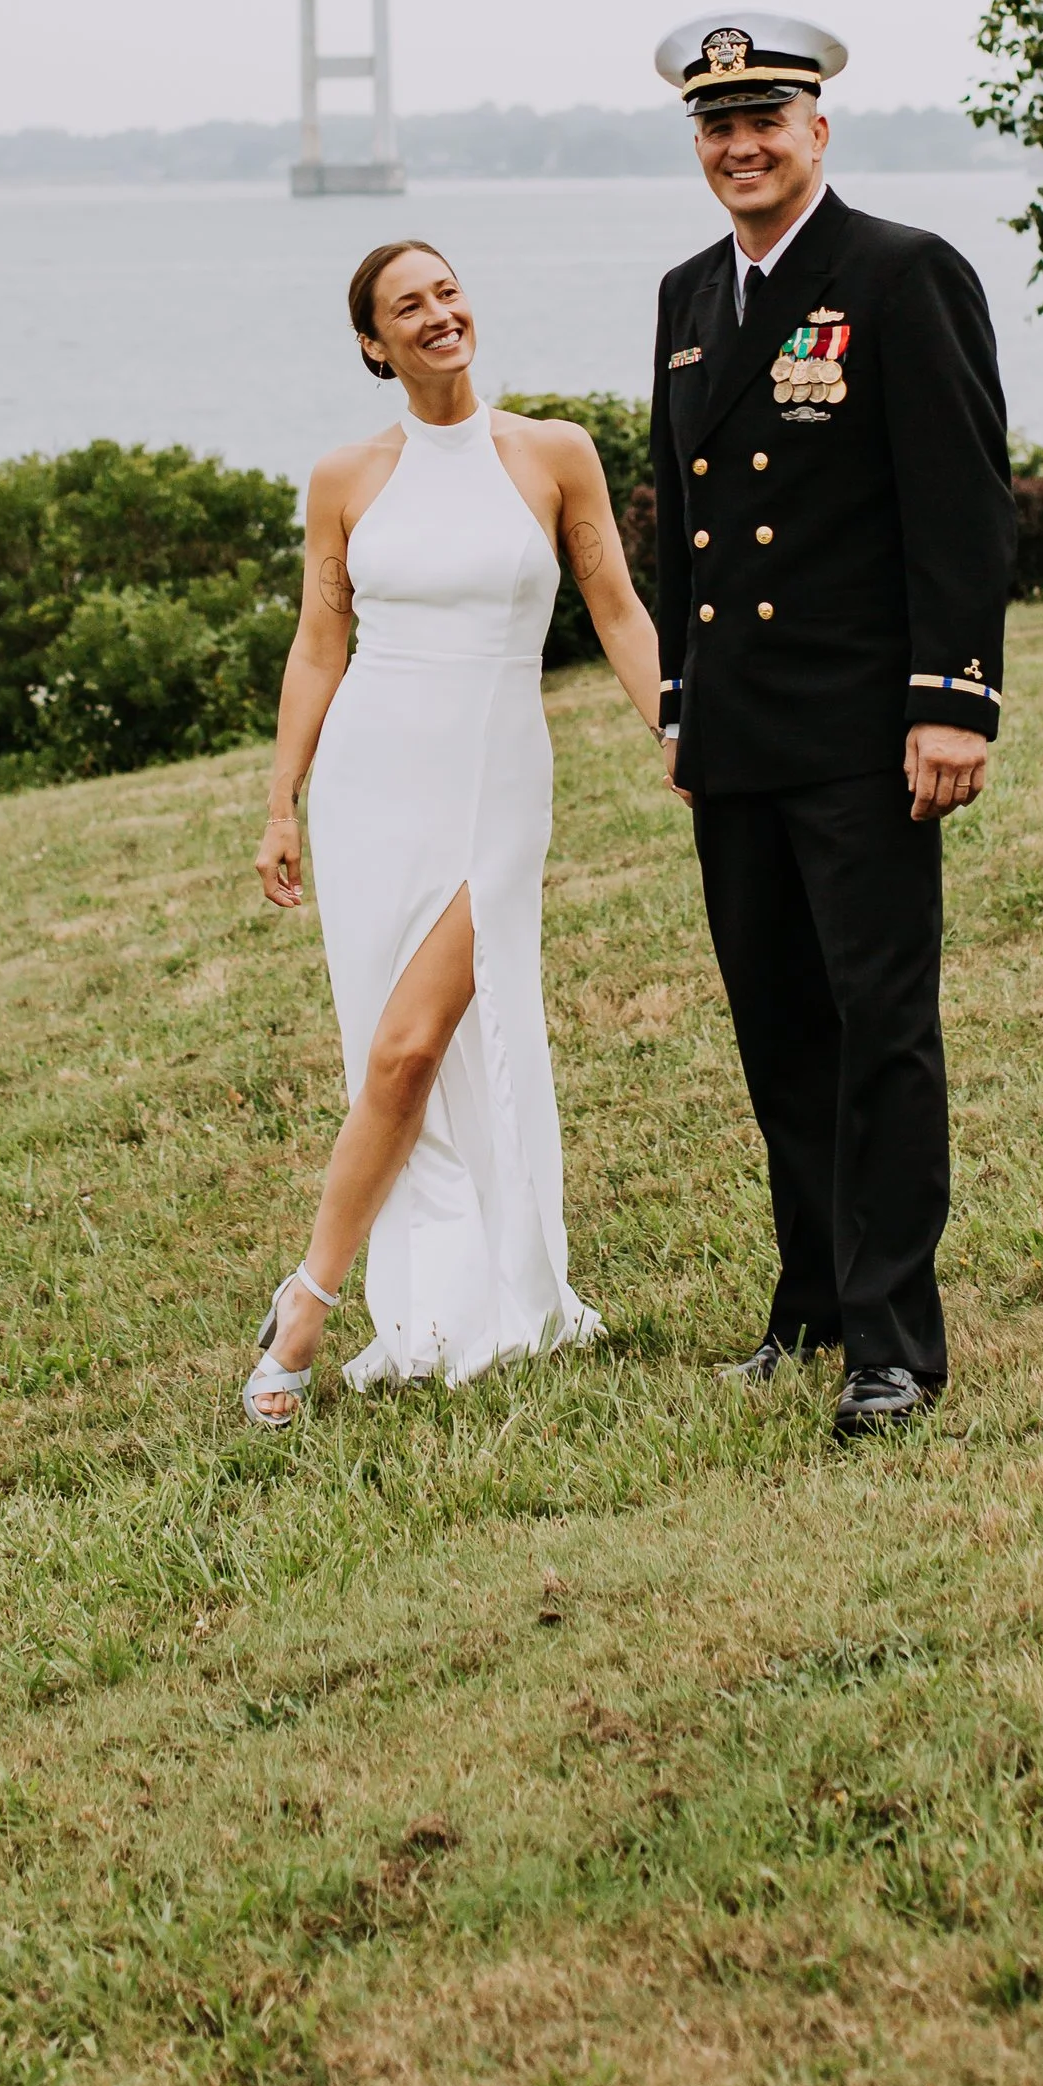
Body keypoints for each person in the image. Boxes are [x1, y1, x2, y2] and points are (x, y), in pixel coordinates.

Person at [648, 12, 1015, 1441]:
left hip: (867, 732)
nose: (742, 145)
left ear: (819, 127)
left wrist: (952, 699)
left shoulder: (902, 273)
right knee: (779, 1030)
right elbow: (683, 515)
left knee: (880, 1027)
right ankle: (808, 1301)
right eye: (717, 125)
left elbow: (961, 496)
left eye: (767, 119)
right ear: (698, 140)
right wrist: (681, 698)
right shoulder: (689, 293)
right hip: (736, 735)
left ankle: (895, 1342)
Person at [244, 238, 663, 1427]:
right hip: (371, 787)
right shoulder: (344, 476)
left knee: (412, 1051)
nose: (438, 315)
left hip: (495, 786)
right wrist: (283, 797)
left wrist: (675, 727)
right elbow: (321, 642)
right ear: (374, 344)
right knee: (386, 1051)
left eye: (447, 291)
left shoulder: (551, 454)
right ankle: (428, 1295)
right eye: (406, 307)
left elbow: (617, 609)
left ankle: (306, 1303)